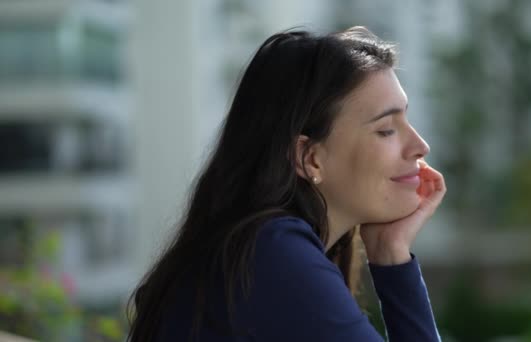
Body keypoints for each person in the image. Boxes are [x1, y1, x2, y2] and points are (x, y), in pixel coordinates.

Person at [128, 26, 446, 342]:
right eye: (387, 129)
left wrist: (390, 250)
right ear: (310, 158)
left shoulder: (266, 247)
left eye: (406, 119)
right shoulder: (273, 254)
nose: (420, 146)